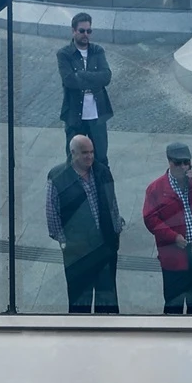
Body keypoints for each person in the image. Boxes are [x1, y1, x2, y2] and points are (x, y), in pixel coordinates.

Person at [46, 133, 125, 314]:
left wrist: (116, 231)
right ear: (73, 153)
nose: (89, 156)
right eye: (84, 153)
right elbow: (52, 213)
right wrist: (64, 241)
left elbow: (112, 204)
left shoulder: (102, 171)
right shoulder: (58, 177)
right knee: (80, 299)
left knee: (107, 299)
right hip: (78, 252)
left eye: (91, 152)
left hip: (104, 246)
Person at [142, 142, 192, 315]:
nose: (183, 167)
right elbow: (150, 219)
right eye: (178, 163)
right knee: (173, 305)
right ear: (169, 162)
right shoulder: (156, 189)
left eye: (186, 162)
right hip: (173, 255)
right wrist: (173, 237)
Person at [57, 12, 112, 165]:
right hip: (75, 114)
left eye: (89, 31)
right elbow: (69, 81)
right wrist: (94, 78)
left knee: (100, 158)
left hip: (97, 114)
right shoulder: (64, 54)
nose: (85, 34)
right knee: (74, 159)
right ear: (73, 31)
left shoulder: (97, 51)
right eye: (82, 31)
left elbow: (106, 77)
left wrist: (81, 74)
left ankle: (101, 188)